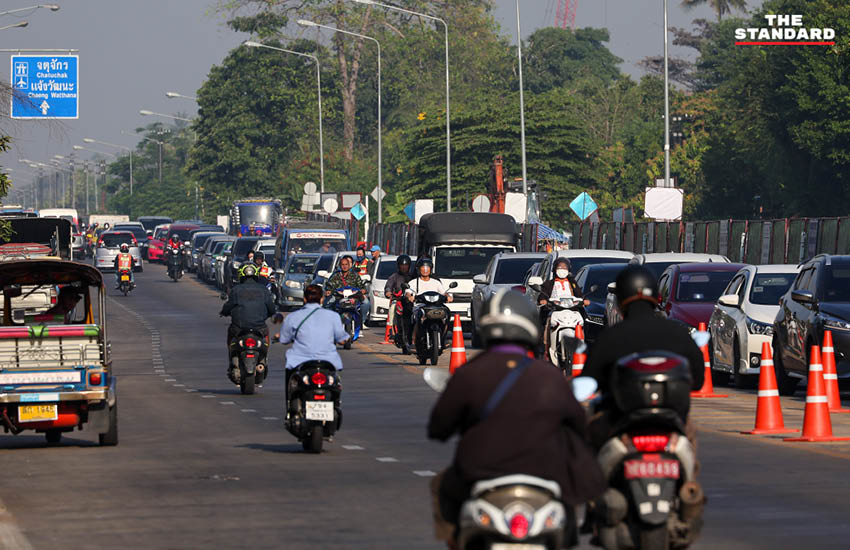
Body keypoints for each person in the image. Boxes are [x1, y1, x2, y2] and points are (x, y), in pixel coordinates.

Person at [428, 289, 605, 547]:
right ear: (531, 326)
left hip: (480, 475)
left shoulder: (470, 374)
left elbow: (438, 428)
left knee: (441, 488)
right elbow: (579, 426)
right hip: (546, 476)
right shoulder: (549, 376)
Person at [583, 264, 705, 450]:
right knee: (688, 442)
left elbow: (590, 379)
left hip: (620, 424)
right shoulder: (678, 333)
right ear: (656, 296)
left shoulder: (611, 337)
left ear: (621, 298)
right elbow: (697, 380)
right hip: (672, 425)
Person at [274, 284, 349, 402]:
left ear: (304, 299)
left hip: (300, 361)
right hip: (328, 362)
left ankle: (290, 406)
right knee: (336, 383)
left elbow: (284, 339)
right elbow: (342, 339)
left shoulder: (293, 317)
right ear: (322, 299)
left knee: (291, 383)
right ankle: (336, 403)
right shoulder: (333, 316)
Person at [220, 264, 277, 380]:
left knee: (230, 334)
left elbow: (228, 307)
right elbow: (272, 309)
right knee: (266, 333)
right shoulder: (263, 290)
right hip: (259, 328)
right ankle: (264, 358)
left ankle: (232, 358)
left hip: (238, 329)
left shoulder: (236, 290)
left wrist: (224, 312)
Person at [537, 257, 588, 363]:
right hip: (555, 311)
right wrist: (544, 301)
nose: (562, 269)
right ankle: (546, 348)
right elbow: (542, 296)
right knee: (547, 323)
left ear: (569, 270)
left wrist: (584, 301)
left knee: (582, 323)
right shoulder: (548, 284)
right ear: (555, 269)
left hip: (572, 311)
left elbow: (579, 295)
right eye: (560, 267)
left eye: (565, 267)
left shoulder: (572, 283)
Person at [409, 257, 453, 345]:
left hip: (436, 306)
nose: (425, 270)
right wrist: (410, 297)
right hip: (420, 306)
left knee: (446, 314)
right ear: (419, 269)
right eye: (423, 267)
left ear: (430, 269)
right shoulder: (413, 282)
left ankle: (443, 338)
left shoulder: (436, 282)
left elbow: (444, 293)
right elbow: (408, 292)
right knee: (417, 317)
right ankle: (413, 341)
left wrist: (448, 297)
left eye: (427, 267)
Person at [324, 257, 367, 330]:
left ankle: (361, 323)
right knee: (327, 304)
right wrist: (328, 291)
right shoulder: (336, 275)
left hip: (353, 298)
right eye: (343, 264)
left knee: (366, 303)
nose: (344, 266)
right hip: (338, 298)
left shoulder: (355, 275)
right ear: (340, 266)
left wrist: (363, 290)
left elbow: (362, 286)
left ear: (349, 265)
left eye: (346, 264)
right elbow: (329, 285)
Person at [385, 255, 414, 352]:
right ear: (398, 266)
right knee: (393, 307)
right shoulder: (394, 277)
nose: (404, 267)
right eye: (402, 265)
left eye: (406, 265)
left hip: (411, 302)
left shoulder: (413, 277)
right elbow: (388, 286)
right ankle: (393, 331)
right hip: (398, 301)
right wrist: (388, 292)